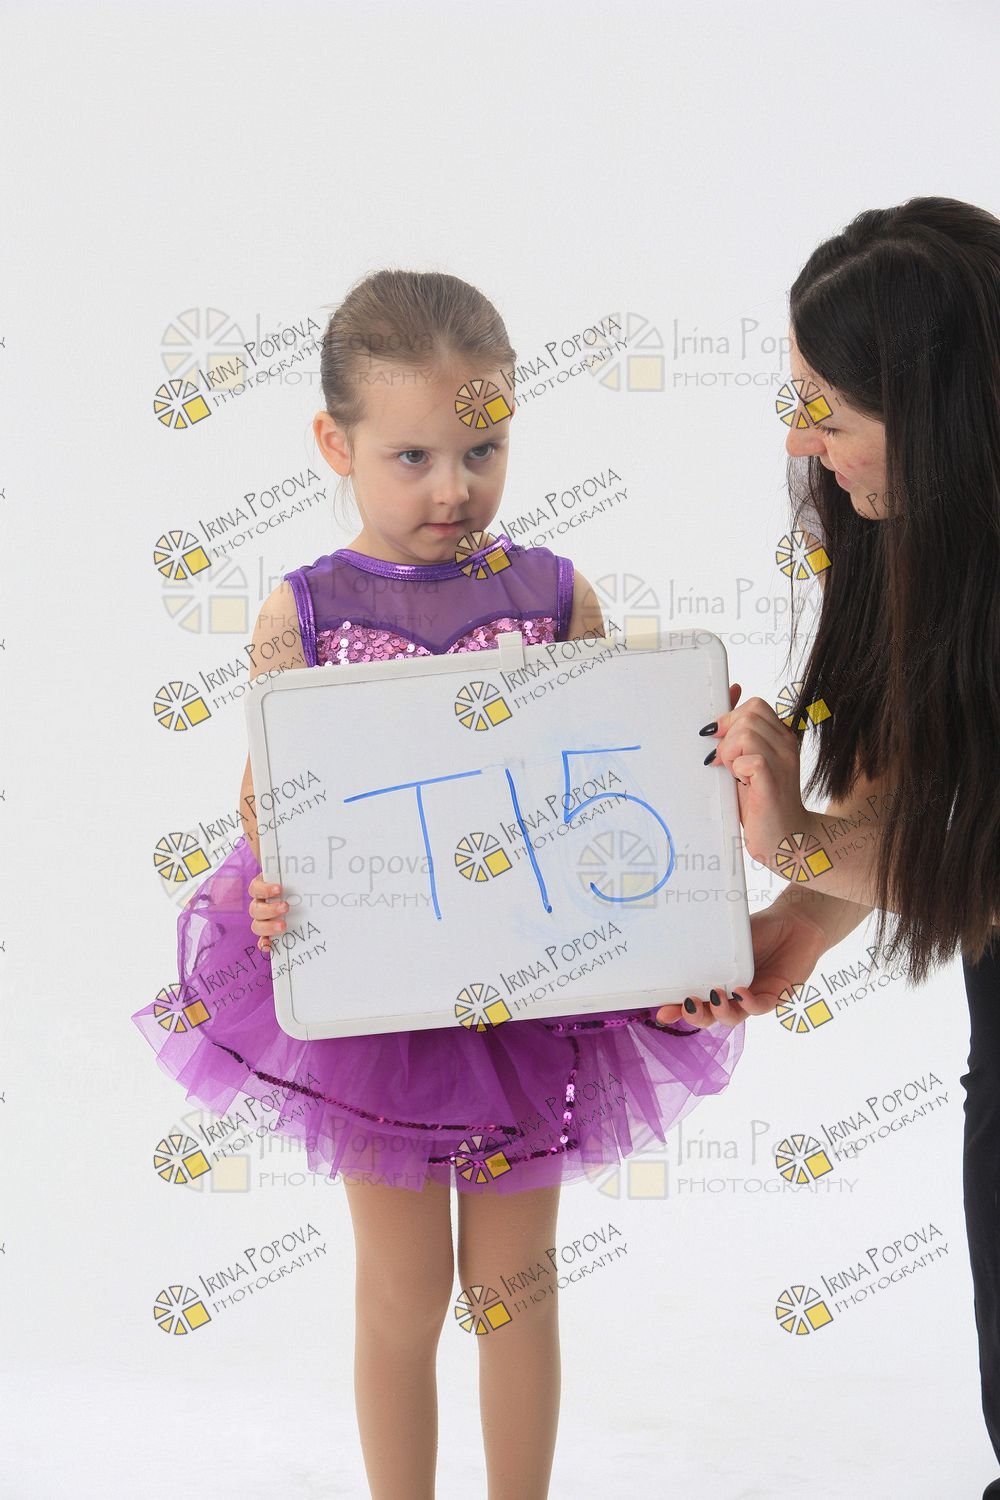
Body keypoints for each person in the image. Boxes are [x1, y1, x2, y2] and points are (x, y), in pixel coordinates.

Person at [131, 268, 743, 1500]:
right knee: (403, 1293)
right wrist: (271, 896)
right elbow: (272, 810)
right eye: (411, 457)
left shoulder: (554, 593)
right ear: (335, 444)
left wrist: (688, 839)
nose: (452, 489)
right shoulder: (303, 612)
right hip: (383, 1013)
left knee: (512, 1291)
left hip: (536, 993)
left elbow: (609, 782)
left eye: (483, 450)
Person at [654, 195, 1000, 1498]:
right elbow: (912, 768)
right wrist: (797, 921)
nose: (800, 439)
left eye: (829, 413)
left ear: (940, 417)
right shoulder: (906, 526)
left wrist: (799, 839)